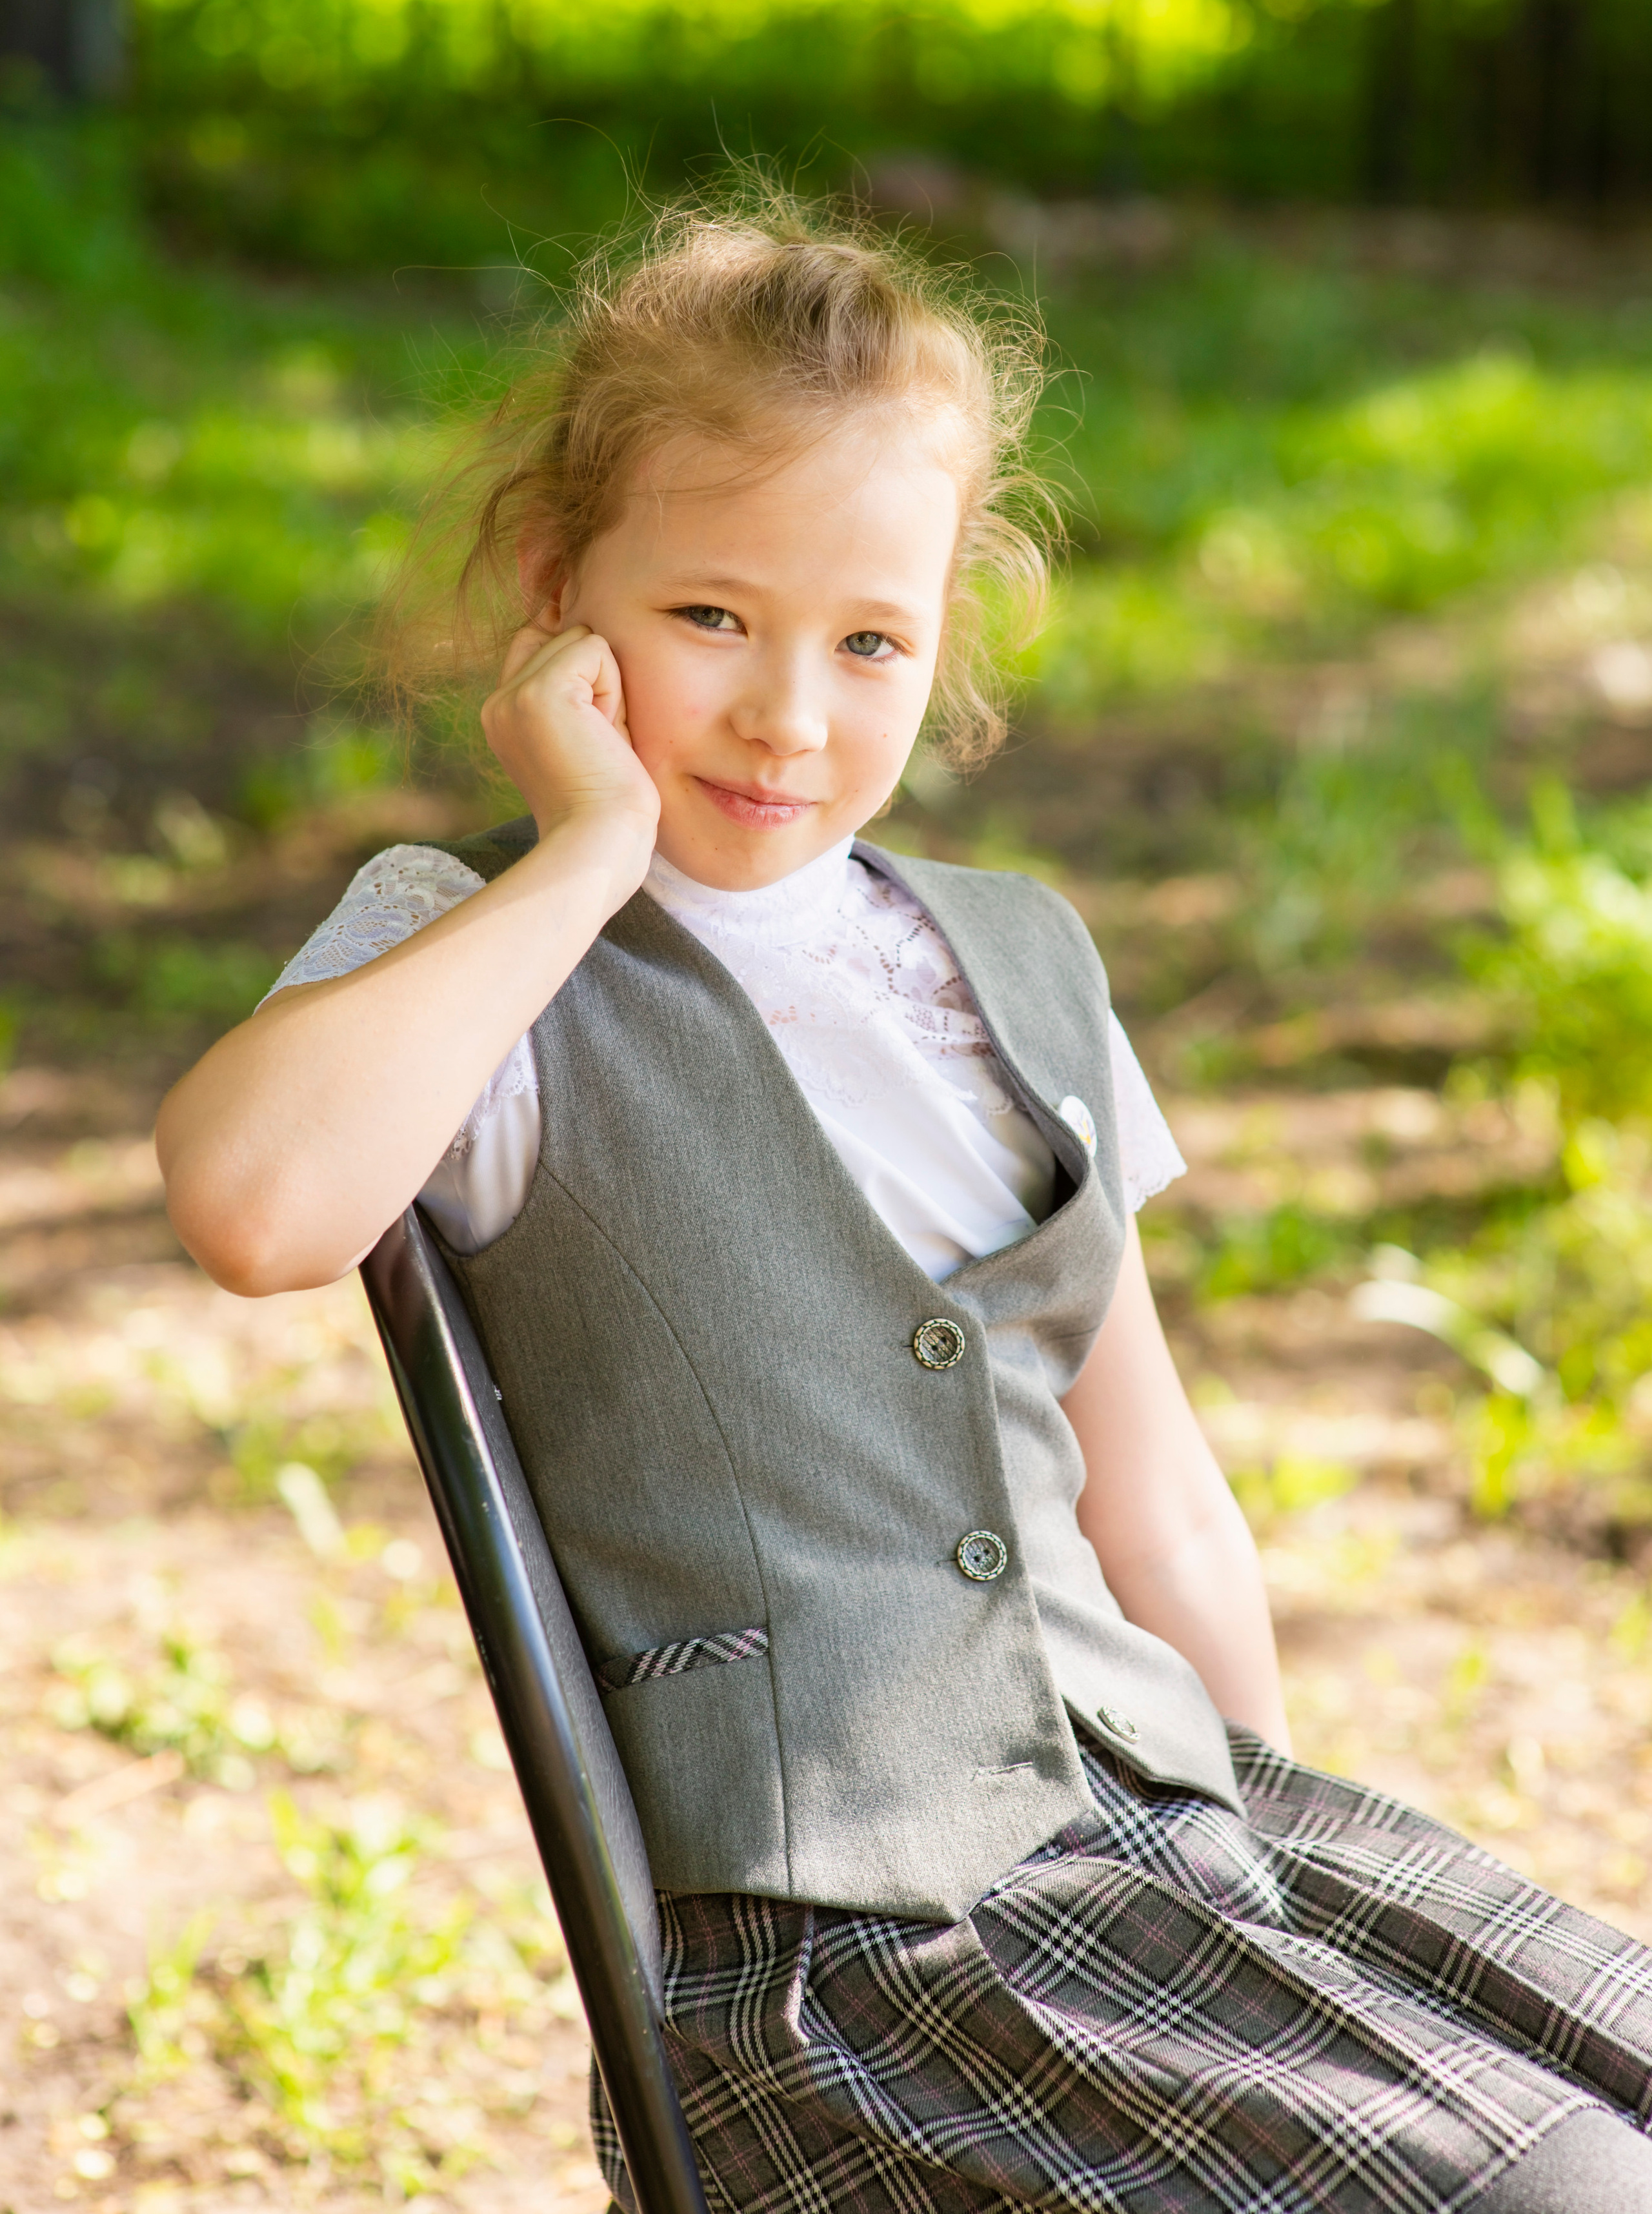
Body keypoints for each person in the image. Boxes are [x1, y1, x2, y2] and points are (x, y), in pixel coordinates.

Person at [157, 197, 1652, 2213]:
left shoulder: (1016, 960)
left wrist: (1252, 1900)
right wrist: (585, 854)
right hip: (847, 1959)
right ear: (555, 587)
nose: (790, 712)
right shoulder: (492, 958)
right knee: (1555, 2197)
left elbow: (1159, 1494)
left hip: (1153, 1847)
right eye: (711, 619)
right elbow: (256, 1204)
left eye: (870, 641)